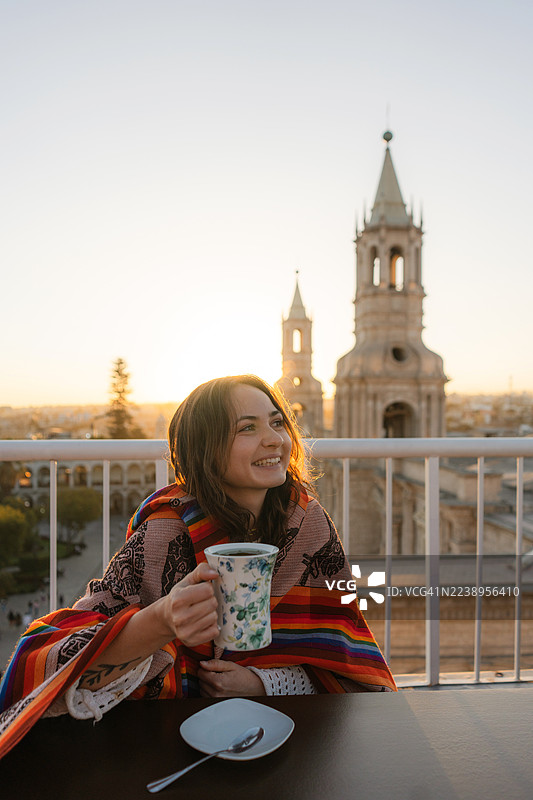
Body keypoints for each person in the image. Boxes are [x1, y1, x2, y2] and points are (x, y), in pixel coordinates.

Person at [0, 375, 395, 759]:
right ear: (204, 448)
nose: (274, 439)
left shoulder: (309, 524)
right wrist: (162, 620)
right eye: (247, 428)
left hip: (285, 743)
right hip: (160, 745)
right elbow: (62, 668)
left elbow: (347, 664)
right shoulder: (164, 534)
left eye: (277, 423)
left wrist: (263, 683)